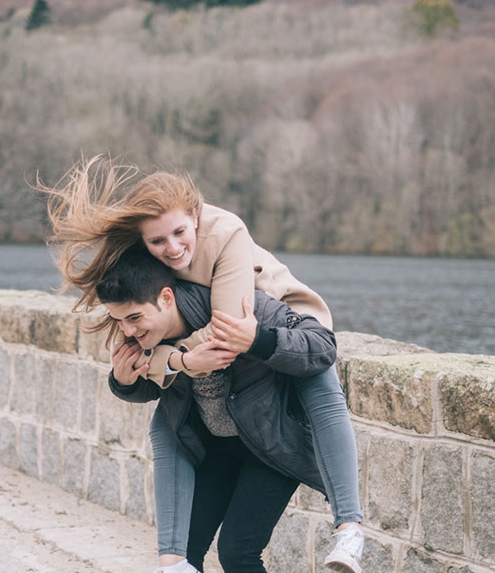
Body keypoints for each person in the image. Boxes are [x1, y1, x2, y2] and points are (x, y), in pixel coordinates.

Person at [39, 157, 364, 573]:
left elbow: (227, 336)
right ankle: (172, 561)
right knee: (167, 433)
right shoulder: (147, 282)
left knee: (320, 389)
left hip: (282, 319)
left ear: (195, 218)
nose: (172, 249)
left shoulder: (225, 233)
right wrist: (128, 379)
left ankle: (349, 527)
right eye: (158, 241)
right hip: (227, 425)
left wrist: (175, 359)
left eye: (179, 233)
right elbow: (142, 363)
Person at [102, 245, 335, 572]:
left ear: (166, 298)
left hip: (270, 449)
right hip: (217, 450)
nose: (128, 331)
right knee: (181, 552)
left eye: (134, 318)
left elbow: (323, 346)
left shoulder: (238, 310)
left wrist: (257, 340)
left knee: (237, 553)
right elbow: (153, 386)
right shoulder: (148, 337)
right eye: (119, 321)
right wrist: (124, 382)